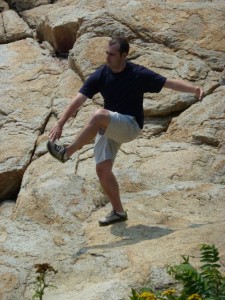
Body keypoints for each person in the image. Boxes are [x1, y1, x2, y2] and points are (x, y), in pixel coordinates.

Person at [47, 37, 204, 226]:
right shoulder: (101, 74)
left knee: (98, 115)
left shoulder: (137, 73)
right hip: (111, 125)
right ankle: (118, 212)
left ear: (124, 55)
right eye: (106, 53)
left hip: (130, 126)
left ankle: (67, 153)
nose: (107, 58)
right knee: (102, 170)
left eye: (112, 55)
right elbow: (79, 99)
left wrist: (195, 90)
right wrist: (60, 123)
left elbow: (168, 83)